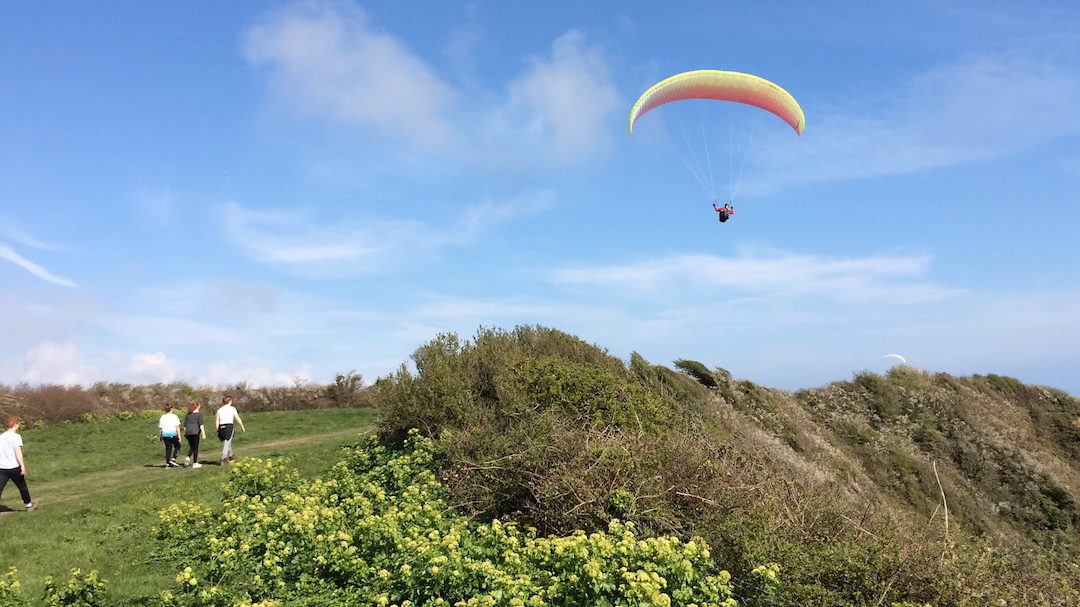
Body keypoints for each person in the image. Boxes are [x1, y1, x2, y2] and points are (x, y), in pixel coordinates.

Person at [0, 416, 37, 512]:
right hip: (14, 467)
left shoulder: (1, 437)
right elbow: (18, 452)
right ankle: (28, 505)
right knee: (22, 486)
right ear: (15, 424)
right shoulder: (16, 437)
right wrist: (22, 465)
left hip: (2, 468)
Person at [215, 396, 246, 466]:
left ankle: (231, 455)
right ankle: (223, 458)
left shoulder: (219, 410)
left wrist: (218, 429)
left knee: (227, 442)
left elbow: (217, 420)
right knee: (227, 443)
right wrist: (242, 426)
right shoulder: (232, 409)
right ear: (229, 401)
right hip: (229, 426)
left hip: (221, 426)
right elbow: (237, 418)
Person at [183, 401, 206, 469]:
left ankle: (188, 457)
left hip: (188, 432)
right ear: (198, 406)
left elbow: (185, 425)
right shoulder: (199, 414)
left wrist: (185, 433)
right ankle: (195, 462)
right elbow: (201, 424)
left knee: (192, 447)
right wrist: (203, 433)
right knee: (195, 447)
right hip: (195, 432)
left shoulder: (188, 415)